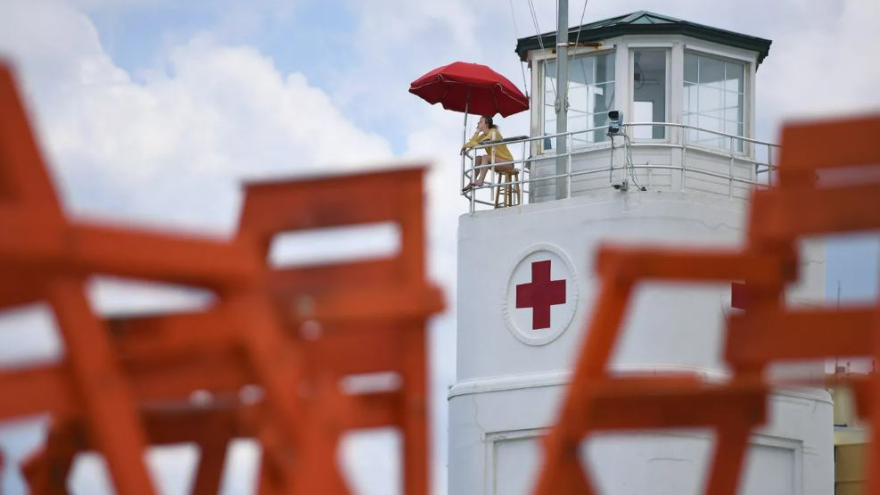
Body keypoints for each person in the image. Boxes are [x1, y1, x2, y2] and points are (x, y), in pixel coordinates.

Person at [460, 115, 514, 192]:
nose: (478, 123)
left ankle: (480, 180)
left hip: (508, 163)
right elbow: (472, 142)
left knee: (485, 157)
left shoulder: (493, 132)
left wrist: (466, 145)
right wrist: (477, 132)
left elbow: (481, 144)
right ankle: (471, 182)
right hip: (496, 162)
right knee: (478, 158)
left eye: (481, 122)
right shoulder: (483, 135)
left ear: (486, 124)